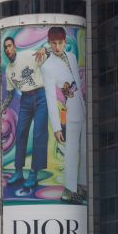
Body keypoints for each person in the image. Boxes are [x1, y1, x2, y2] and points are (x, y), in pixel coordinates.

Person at [38, 25, 87, 203]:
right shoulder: (47, 67)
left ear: (65, 42)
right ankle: (69, 190)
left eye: (60, 42)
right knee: (72, 151)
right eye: (53, 43)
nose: (57, 46)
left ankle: (80, 186)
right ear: (49, 44)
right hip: (70, 108)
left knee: (84, 150)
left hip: (82, 106)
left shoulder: (72, 57)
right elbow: (51, 99)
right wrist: (57, 127)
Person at [2, 33, 52, 195]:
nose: (8, 49)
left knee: (38, 134)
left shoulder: (27, 56)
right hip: (25, 100)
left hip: (40, 96)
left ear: (14, 47)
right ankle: (18, 171)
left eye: (9, 46)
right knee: (21, 133)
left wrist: (45, 49)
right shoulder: (9, 71)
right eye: (5, 48)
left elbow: (49, 51)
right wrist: (2, 108)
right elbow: (10, 94)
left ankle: (34, 173)